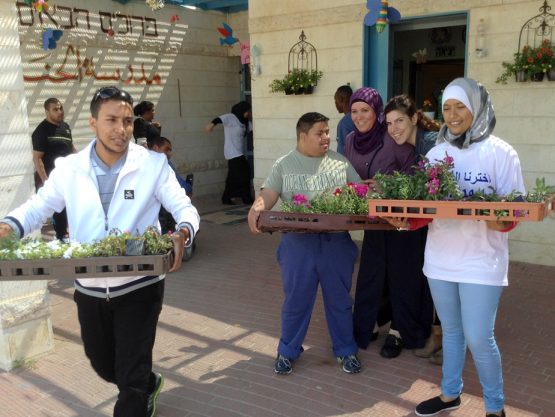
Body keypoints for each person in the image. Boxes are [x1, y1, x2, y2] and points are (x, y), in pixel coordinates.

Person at [0, 86, 200, 417]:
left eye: (127, 121)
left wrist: (182, 232)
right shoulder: (69, 167)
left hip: (141, 285)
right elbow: (39, 206)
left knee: (130, 377)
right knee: (105, 366)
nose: (120, 130)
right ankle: (148, 382)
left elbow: (183, 206)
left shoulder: (152, 165)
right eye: (111, 120)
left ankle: (139, 388)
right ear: (93, 122)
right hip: (89, 286)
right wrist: (10, 225)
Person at [414, 78, 523, 417]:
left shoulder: (501, 153)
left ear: (477, 107)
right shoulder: (435, 154)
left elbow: (516, 210)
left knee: (479, 337)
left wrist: (501, 220)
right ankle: (450, 394)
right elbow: (423, 211)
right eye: (446, 108)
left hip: (482, 260)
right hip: (440, 259)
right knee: (451, 331)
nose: (453, 114)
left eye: (460, 106)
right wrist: (405, 220)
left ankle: (495, 407)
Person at [248, 112, 362, 375]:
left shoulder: (340, 163)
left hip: (336, 244)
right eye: (320, 132)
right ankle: (287, 351)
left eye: (327, 131)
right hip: (298, 246)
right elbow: (269, 193)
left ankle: (346, 351)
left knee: (340, 301)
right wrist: (257, 207)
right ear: (303, 136)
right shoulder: (284, 164)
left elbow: (360, 192)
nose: (326, 137)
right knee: (296, 301)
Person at [344, 87, 433, 359]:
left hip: (402, 222)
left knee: (402, 276)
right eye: (355, 111)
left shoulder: (395, 138)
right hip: (374, 222)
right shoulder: (349, 140)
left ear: (376, 112)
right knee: (372, 274)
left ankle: (398, 330)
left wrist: (386, 186)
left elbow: (416, 175)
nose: (360, 116)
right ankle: (368, 323)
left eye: (366, 111)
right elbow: (346, 172)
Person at [384, 94, 443, 364]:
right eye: (389, 123)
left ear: (415, 118)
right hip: (433, 225)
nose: (394, 128)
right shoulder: (416, 144)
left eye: (399, 121)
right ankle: (435, 338)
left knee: (441, 281)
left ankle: (442, 341)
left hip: (445, 228)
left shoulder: (430, 145)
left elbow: (433, 190)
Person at [32, 97, 76, 240]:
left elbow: (71, 148)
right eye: (55, 109)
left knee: (72, 204)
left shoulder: (65, 127)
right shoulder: (41, 131)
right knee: (59, 209)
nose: (60, 112)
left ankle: (74, 233)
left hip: (69, 175)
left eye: (61, 108)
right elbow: (37, 158)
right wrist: (46, 180)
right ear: (46, 112)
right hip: (53, 177)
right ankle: (61, 236)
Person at [205, 101, 253, 205]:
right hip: (232, 153)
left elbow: (254, 132)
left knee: (233, 177)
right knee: (244, 173)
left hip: (238, 153)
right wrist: (211, 125)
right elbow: (218, 119)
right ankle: (245, 197)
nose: (248, 113)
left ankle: (227, 197)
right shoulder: (231, 117)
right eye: (246, 111)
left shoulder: (246, 123)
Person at [334, 85, 355, 155]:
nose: (335, 104)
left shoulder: (344, 124)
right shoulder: (359, 117)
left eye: (335, 100)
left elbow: (343, 151)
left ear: (341, 100)